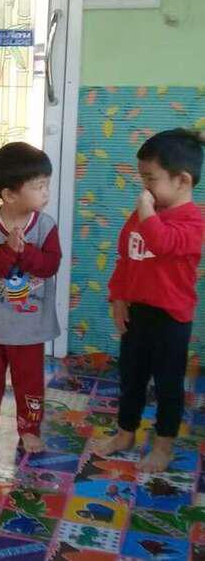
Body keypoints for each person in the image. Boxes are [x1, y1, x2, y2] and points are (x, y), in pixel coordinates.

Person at [98, 129, 203, 472]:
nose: (144, 188)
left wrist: (146, 211)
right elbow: (126, 257)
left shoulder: (194, 221)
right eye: (142, 178)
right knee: (131, 377)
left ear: (182, 180)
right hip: (137, 313)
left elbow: (162, 243)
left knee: (169, 385)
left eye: (150, 178)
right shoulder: (145, 213)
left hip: (171, 319)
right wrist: (118, 298)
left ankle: (163, 445)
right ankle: (125, 433)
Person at [0, 142, 61, 454]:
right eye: (39, 186)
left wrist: (25, 251)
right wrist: (7, 250)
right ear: (9, 195)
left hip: (30, 328)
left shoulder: (45, 226)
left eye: (46, 185)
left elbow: (50, 265)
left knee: (29, 382)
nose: (46, 193)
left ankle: (29, 428)